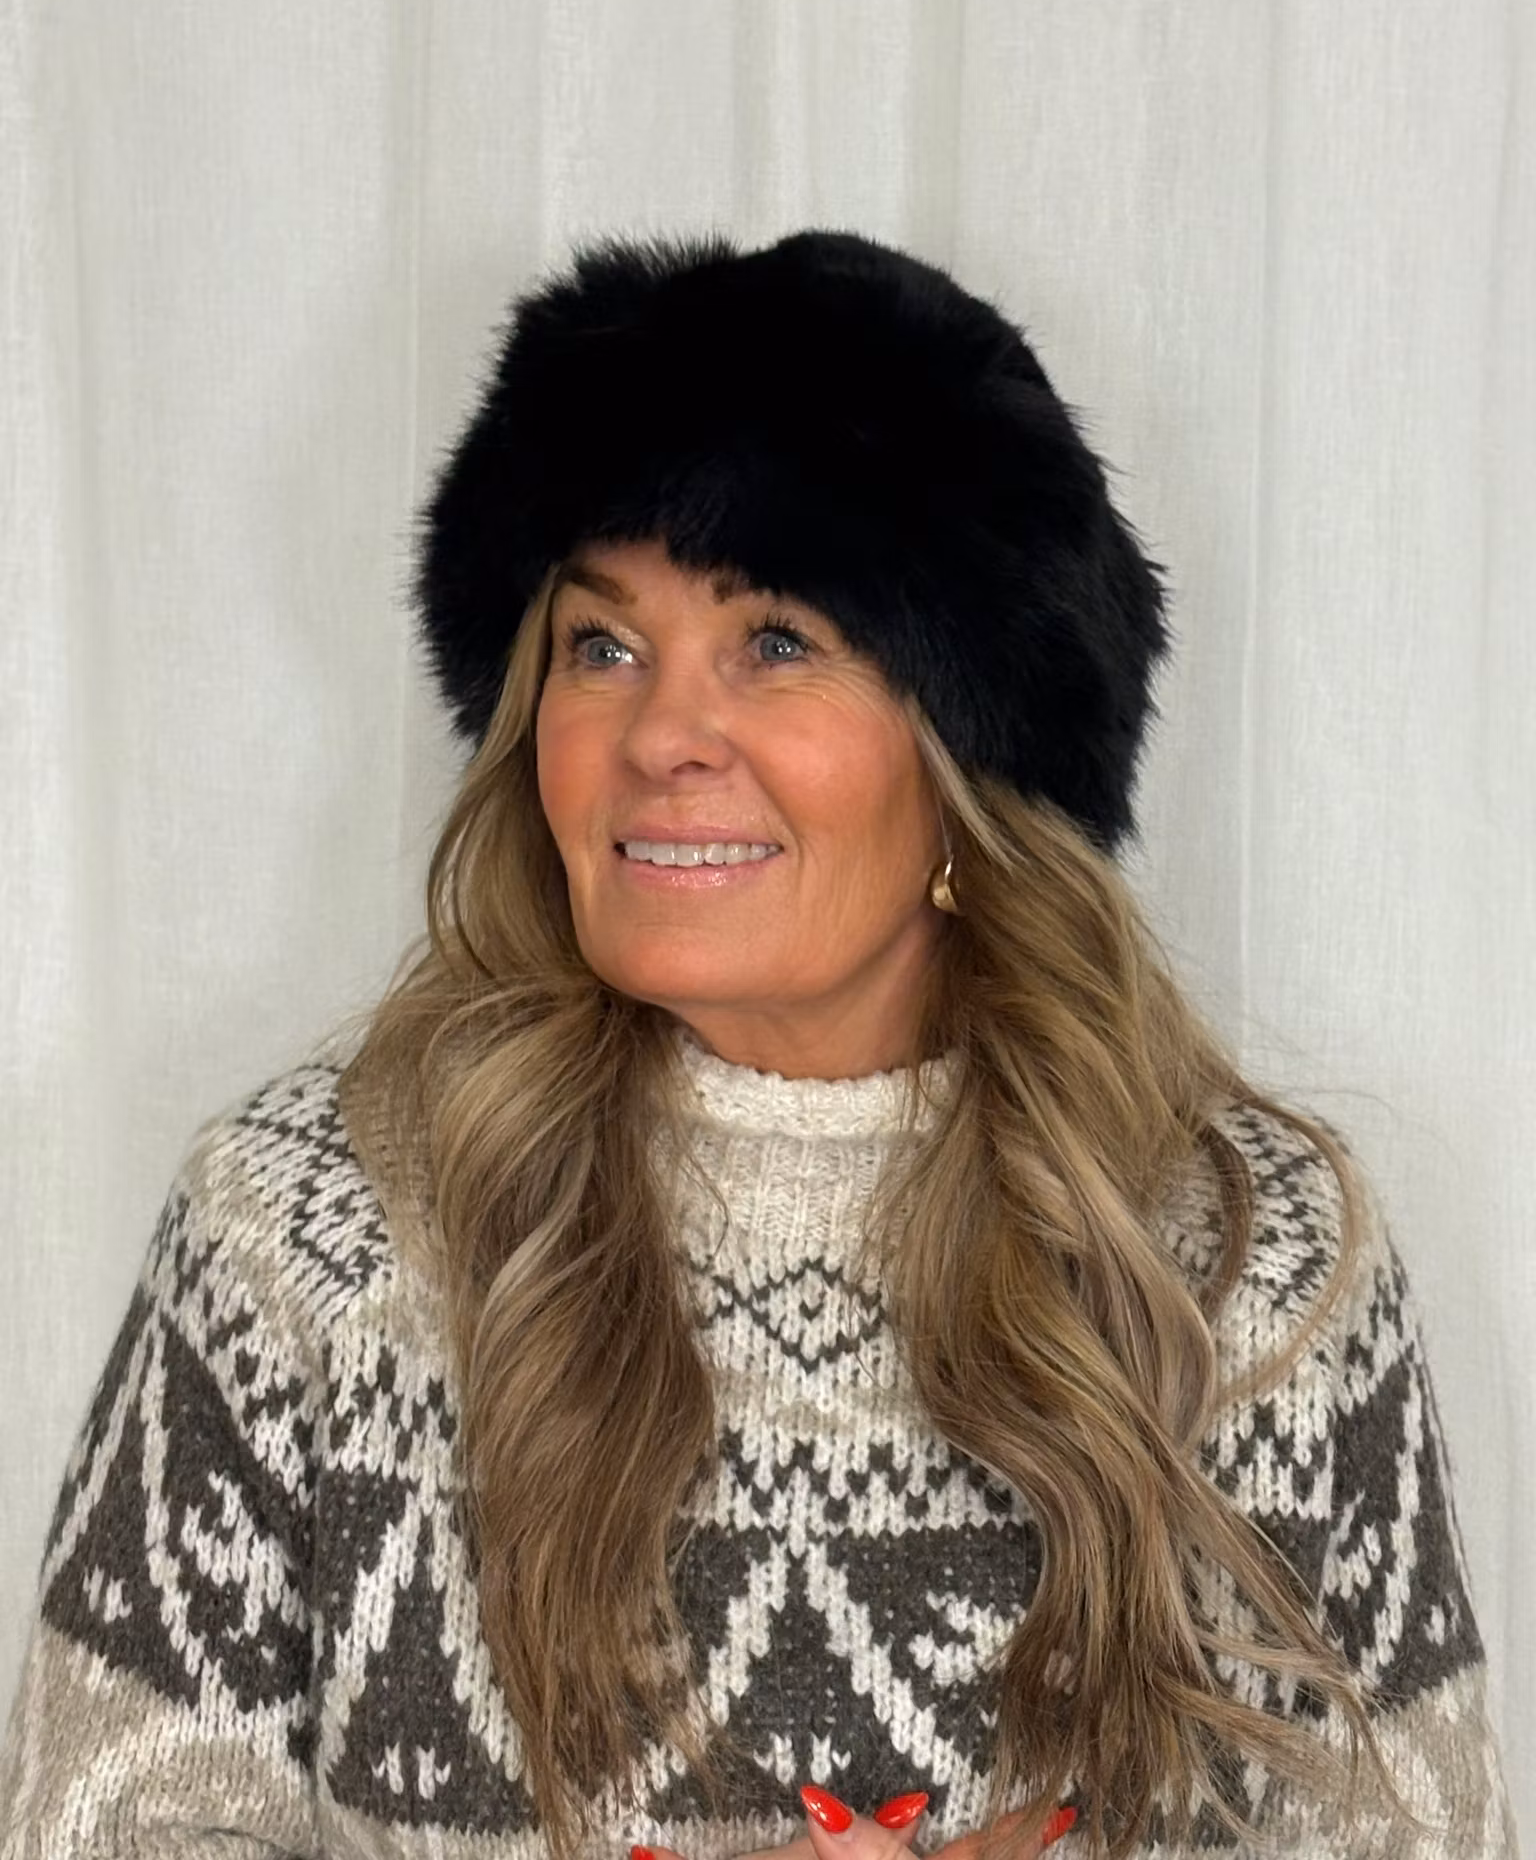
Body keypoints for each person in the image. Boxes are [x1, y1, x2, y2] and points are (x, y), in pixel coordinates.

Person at [0, 229, 1515, 1860]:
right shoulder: (307, 1230)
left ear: (973, 754)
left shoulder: (1250, 1264)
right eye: (601, 646)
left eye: (778, 641)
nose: (659, 734)